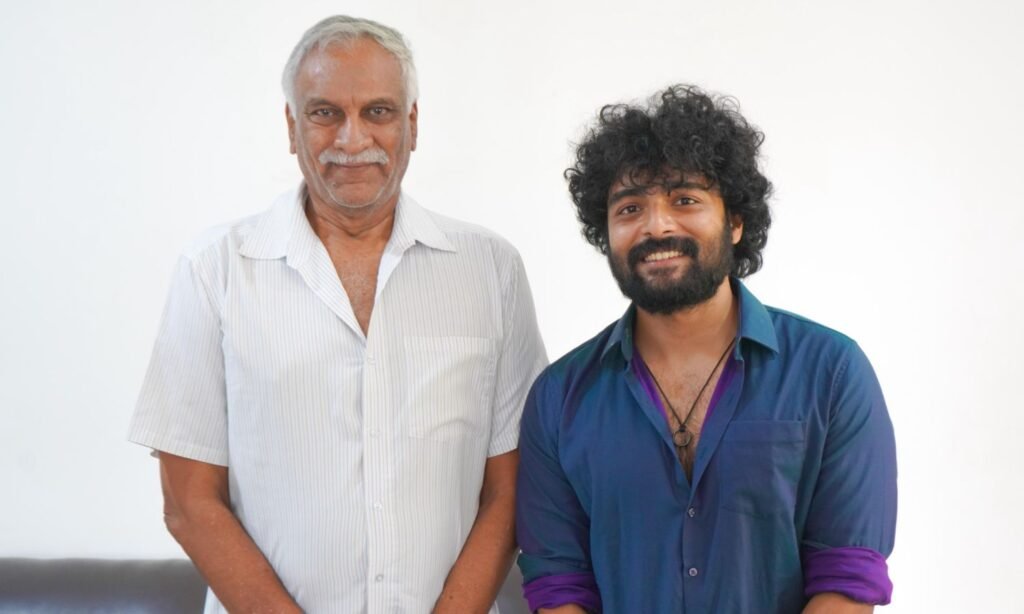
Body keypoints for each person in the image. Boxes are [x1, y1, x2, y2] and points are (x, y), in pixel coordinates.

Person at [129, 15, 546, 613]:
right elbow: (189, 503)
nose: (352, 140)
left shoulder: (490, 270)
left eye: (378, 111)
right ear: (292, 127)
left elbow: (511, 490)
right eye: (325, 113)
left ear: (412, 124)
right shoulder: (213, 270)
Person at [515, 85, 896, 613]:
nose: (656, 225)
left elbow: (847, 576)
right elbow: (558, 584)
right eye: (630, 208)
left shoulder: (831, 372)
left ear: (735, 221)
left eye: (685, 199)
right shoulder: (559, 399)